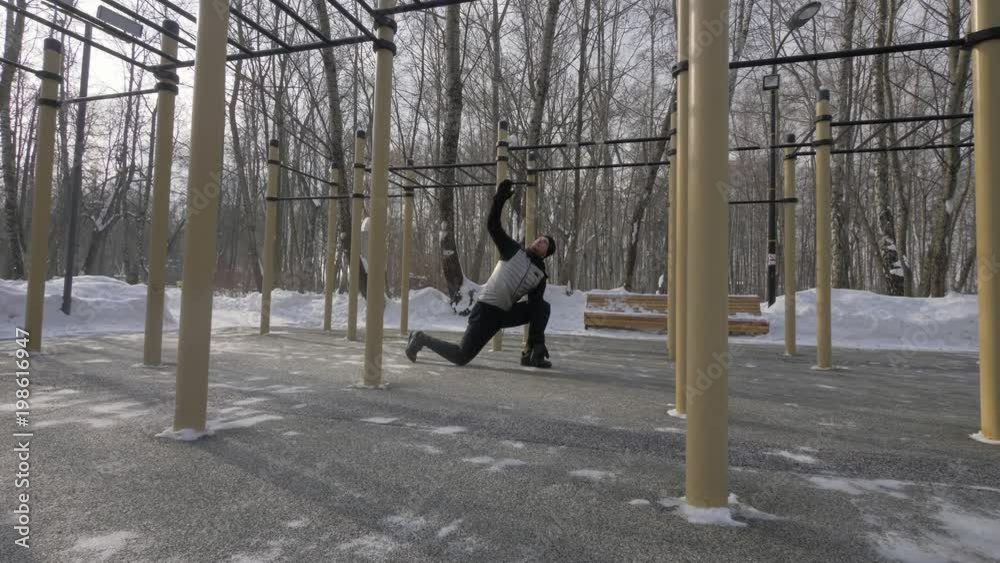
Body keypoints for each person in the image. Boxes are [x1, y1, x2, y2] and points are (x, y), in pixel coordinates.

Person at [406, 179, 556, 368]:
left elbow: (535, 306)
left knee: (542, 307)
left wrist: (538, 341)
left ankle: (531, 354)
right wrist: (500, 199)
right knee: (461, 356)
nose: (541, 241)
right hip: (486, 310)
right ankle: (420, 338)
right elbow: (493, 226)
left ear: (546, 253)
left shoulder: (540, 276)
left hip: (505, 313)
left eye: (545, 243)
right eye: (540, 238)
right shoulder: (513, 250)